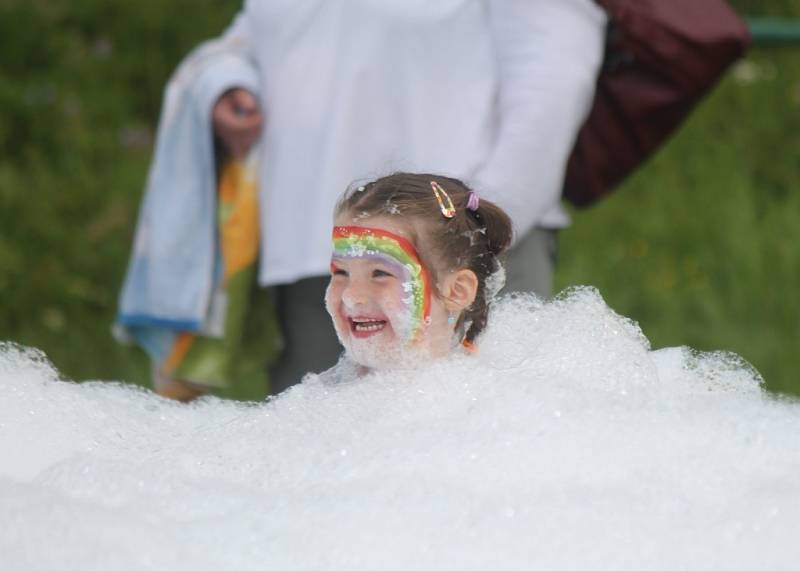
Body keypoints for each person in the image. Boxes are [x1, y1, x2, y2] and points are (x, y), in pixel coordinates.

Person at [117, 0, 608, 397]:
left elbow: (552, 77)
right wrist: (229, 83)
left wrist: (472, 224)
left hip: (450, 245)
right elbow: (254, 33)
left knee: (481, 441)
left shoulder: (460, 256)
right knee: (324, 456)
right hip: (313, 250)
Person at [321, 172, 512, 381]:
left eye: (380, 273)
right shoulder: (323, 402)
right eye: (341, 272)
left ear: (457, 291)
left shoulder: (491, 398)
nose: (351, 295)